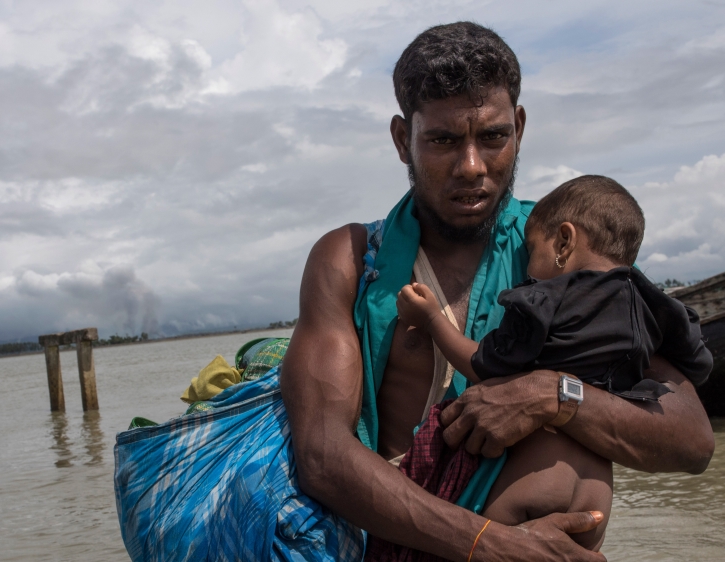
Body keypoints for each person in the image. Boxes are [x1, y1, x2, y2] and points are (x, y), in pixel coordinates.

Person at [114, 22, 715, 562]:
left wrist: (549, 394)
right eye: (445, 142)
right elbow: (322, 454)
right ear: (404, 140)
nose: (473, 166)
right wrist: (487, 544)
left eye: (494, 137)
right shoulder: (349, 261)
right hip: (413, 547)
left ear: (521, 128)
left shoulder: (566, 256)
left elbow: (689, 441)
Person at [392, 175, 712, 551]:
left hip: (532, 490)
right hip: (595, 504)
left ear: (564, 242)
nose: (527, 265)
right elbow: (697, 363)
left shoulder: (545, 301)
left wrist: (432, 319)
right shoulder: (653, 310)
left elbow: (483, 364)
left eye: (531, 249)